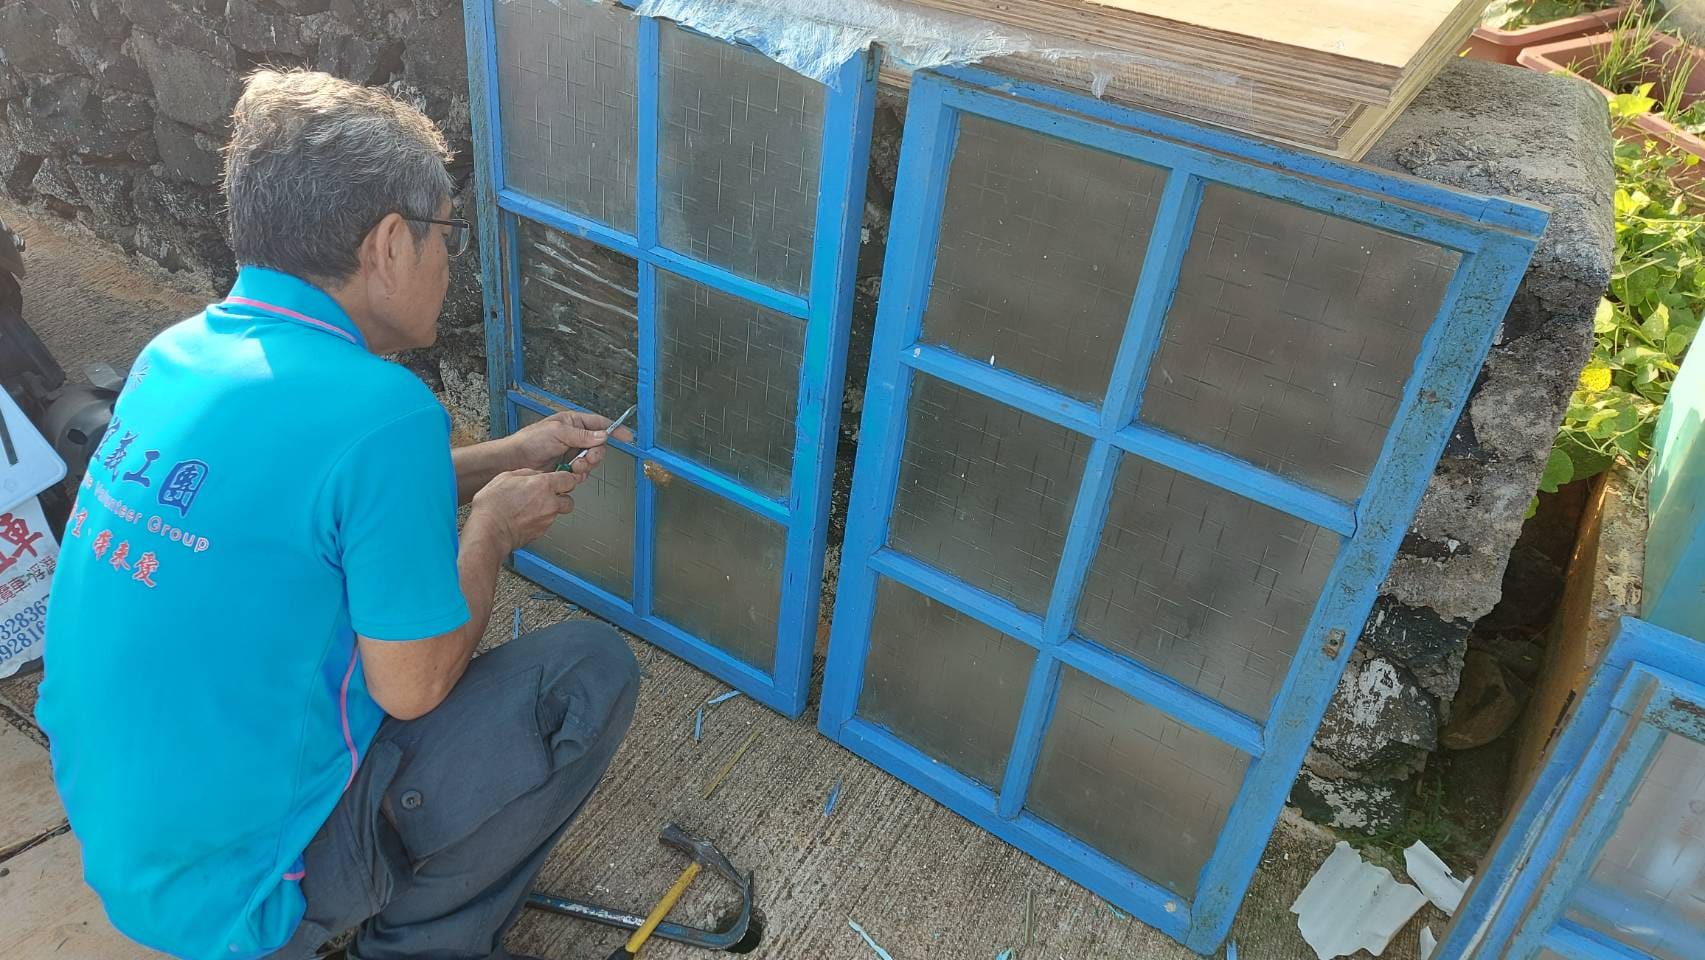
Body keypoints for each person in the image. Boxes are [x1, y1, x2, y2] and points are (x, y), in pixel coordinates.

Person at [35, 69, 639, 960]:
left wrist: (509, 453)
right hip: (249, 896)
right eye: (445, 234)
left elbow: (315, 505)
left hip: (135, 849)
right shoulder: (382, 411)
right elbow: (414, 686)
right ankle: (418, 946)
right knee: (587, 670)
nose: (448, 263)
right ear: (390, 242)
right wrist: (492, 529)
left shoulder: (181, 354)